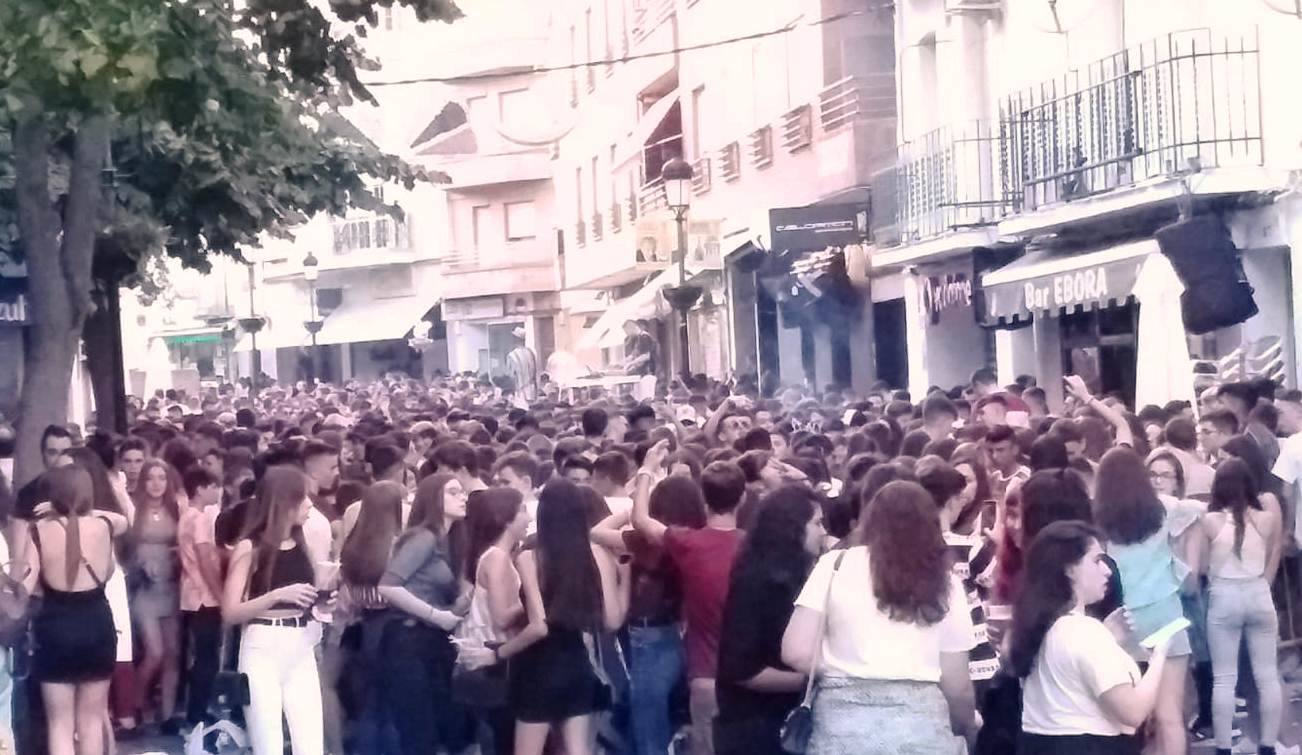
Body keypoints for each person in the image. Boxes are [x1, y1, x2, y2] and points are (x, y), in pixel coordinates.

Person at [781, 481, 977, 754]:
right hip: (920, 731)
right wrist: (966, 727)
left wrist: (846, 671)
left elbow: (796, 651)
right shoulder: (946, 583)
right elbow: (957, 686)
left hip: (842, 730)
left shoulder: (834, 566)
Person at [1009, 521, 1172, 755]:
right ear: (1069, 568)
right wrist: (1160, 655)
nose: (1107, 570)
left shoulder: (1038, 626)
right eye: (1096, 560)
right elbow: (1133, 712)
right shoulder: (1084, 632)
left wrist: (1108, 638)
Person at [490, 479, 628, 755]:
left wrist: (499, 654)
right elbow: (612, 621)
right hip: (577, 664)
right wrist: (626, 577)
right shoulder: (598, 554)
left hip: (536, 669)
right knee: (578, 751)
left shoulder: (530, 557)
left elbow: (539, 626)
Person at [632, 444, 746, 755]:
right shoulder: (755, 545)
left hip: (705, 676)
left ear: (704, 500)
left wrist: (646, 470)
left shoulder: (688, 544)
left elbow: (641, 519)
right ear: (743, 497)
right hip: (749, 677)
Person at [1093, 448, 1195, 755]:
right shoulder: (1164, 508)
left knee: (1126, 719)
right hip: (1167, 617)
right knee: (1170, 716)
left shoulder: (1099, 519)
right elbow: (1197, 511)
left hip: (1122, 622)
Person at [23, 465, 129, 755]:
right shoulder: (104, 527)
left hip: (54, 627)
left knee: (60, 724)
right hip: (96, 624)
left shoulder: (38, 531)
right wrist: (87, 510)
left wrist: (55, 512)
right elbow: (124, 521)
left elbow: (27, 586)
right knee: (92, 721)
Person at [221, 466, 325, 755]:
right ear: (285, 501)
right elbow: (230, 611)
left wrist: (324, 602)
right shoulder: (250, 547)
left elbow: (311, 593)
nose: (310, 504)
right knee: (268, 743)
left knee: (310, 743)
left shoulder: (303, 542)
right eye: (303, 498)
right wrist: (276, 595)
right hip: (262, 644)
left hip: (301, 641)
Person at [714, 486, 825, 755]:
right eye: (817, 523)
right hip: (755, 727)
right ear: (791, 528)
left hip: (779, 722)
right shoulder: (758, 583)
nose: (823, 531)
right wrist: (812, 681)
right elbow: (740, 670)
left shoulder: (801, 575)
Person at [376, 473, 473, 755]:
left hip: (431, 640)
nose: (463, 497)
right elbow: (388, 586)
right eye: (454, 492)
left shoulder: (449, 541)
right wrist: (438, 615)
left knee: (445, 724)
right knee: (420, 729)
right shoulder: (424, 537)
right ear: (434, 498)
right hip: (408, 639)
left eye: (463, 492)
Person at [1199, 459, 1284, 755]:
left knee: (1224, 678)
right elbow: (1272, 551)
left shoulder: (1210, 521)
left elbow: (1198, 565)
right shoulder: (1266, 519)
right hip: (1259, 592)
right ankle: (1268, 745)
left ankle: (1223, 747)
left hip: (1224, 595)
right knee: (1267, 675)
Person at [459, 487, 530, 755]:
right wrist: (535, 598)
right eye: (522, 509)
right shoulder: (497, 559)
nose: (528, 516)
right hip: (496, 662)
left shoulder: (493, 556)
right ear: (506, 518)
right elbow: (501, 617)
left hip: (495, 662)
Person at [337, 481, 406, 755]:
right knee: (390, 702)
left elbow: (348, 586)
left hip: (363, 625)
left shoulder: (353, 548)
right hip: (394, 625)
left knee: (370, 698)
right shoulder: (398, 546)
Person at [129, 458, 183, 731]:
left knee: (173, 652)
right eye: (151, 478)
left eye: (162, 478)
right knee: (154, 652)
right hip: (144, 589)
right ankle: (137, 704)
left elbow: (185, 544)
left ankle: (168, 712)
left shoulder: (176, 508)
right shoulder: (132, 509)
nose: (156, 483)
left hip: (171, 587)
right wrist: (139, 565)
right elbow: (124, 551)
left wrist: (177, 557)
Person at [177, 466, 224, 729]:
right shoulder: (201, 519)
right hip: (204, 595)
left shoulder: (187, 516)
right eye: (213, 486)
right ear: (200, 489)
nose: (217, 490)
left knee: (201, 654)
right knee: (207, 656)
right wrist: (220, 593)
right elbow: (205, 558)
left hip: (190, 592)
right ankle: (199, 710)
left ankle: (195, 708)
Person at [622, 320, 659, 401]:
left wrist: (631, 364)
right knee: (641, 398)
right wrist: (625, 361)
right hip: (642, 374)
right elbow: (635, 354)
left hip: (648, 372)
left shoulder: (645, 337)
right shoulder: (639, 339)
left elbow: (646, 356)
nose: (627, 335)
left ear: (632, 327)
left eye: (627, 332)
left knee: (646, 398)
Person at [506, 328, 540, 403]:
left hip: (520, 392)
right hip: (532, 391)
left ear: (515, 339)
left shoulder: (512, 355)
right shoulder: (531, 353)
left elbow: (510, 376)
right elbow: (536, 373)